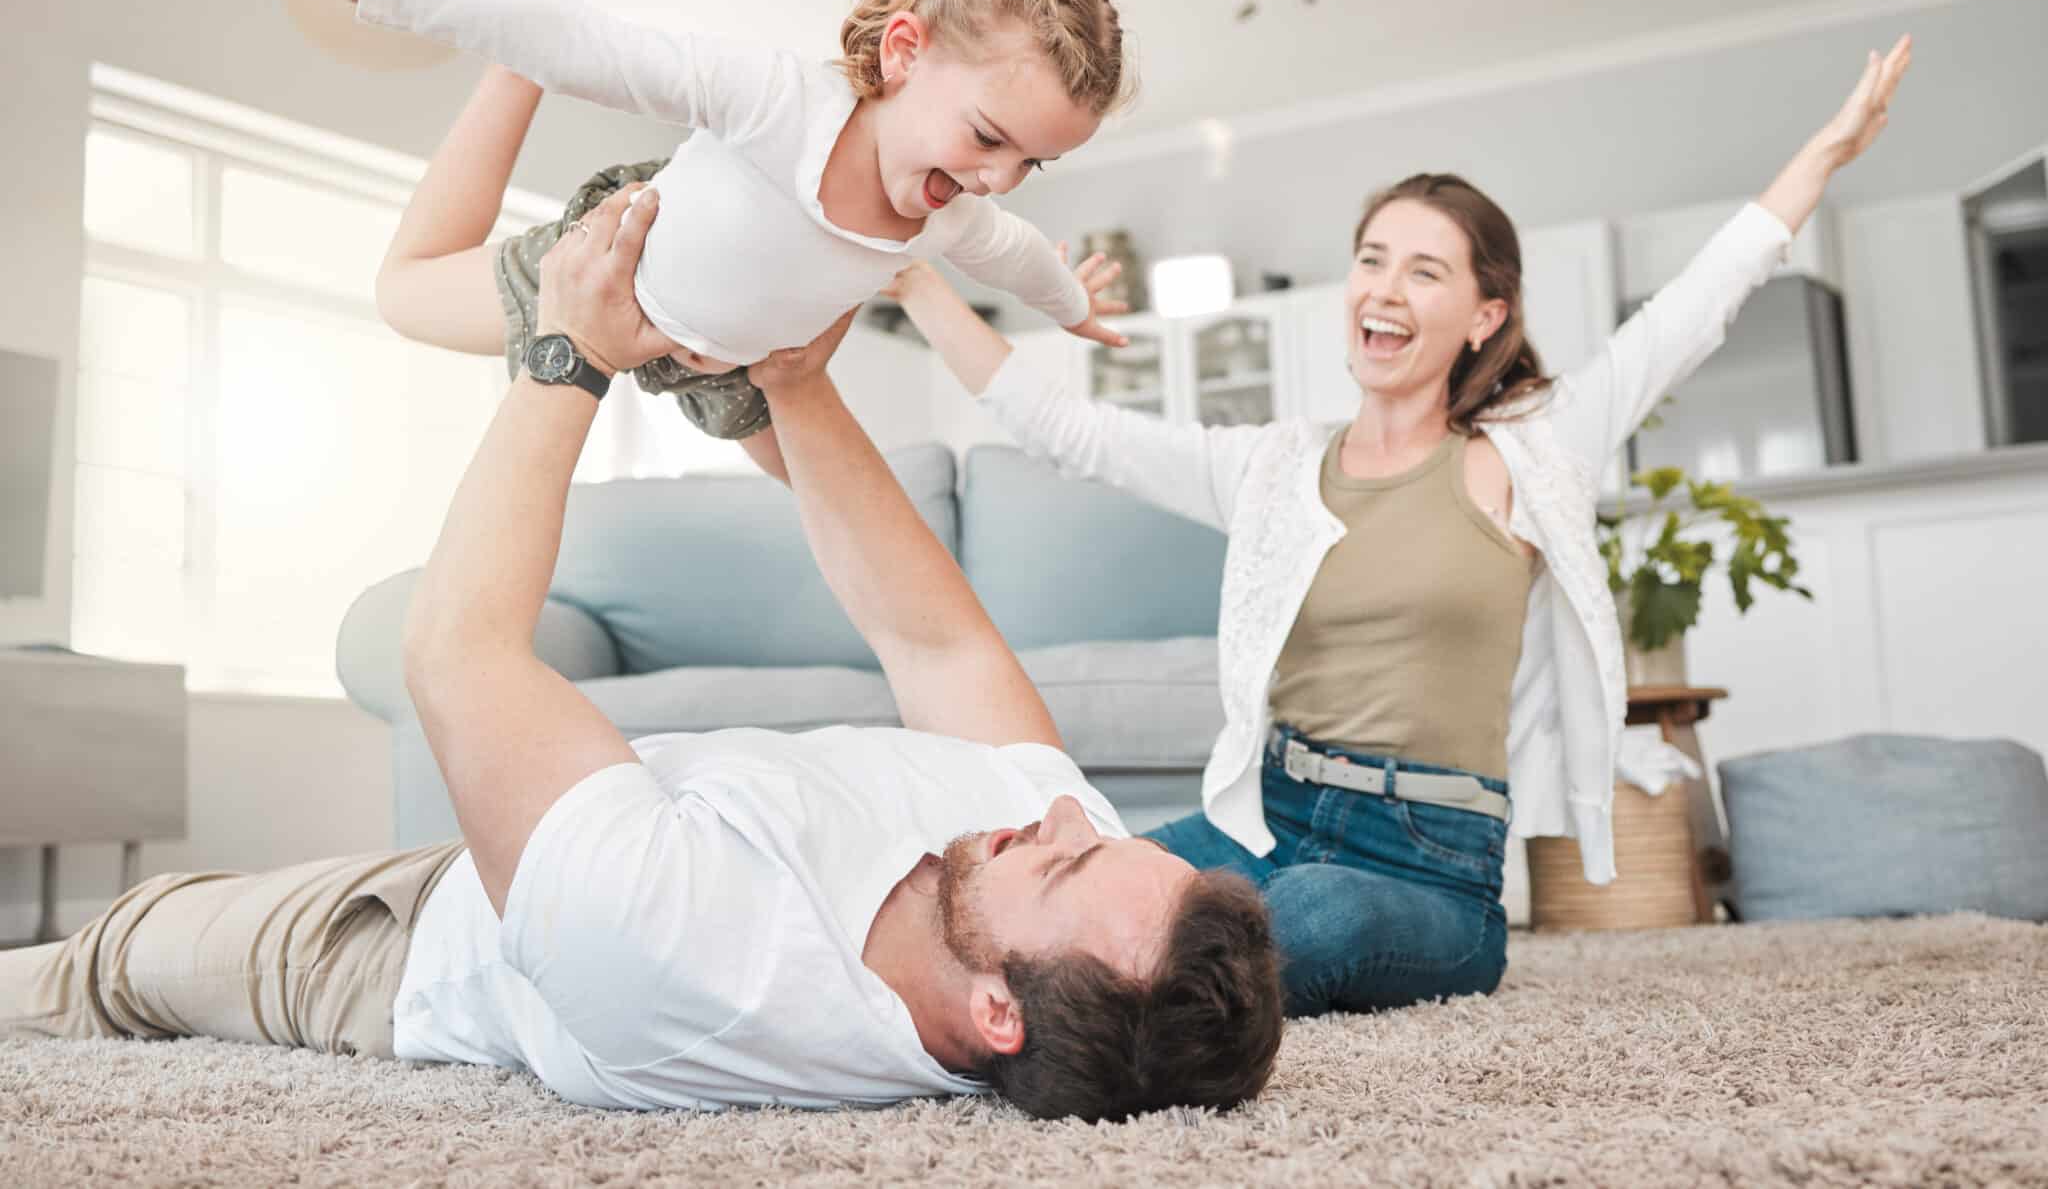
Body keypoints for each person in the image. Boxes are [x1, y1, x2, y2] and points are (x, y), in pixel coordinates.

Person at [0, 183, 1285, 1121]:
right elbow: (935, 638)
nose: (1056, 813)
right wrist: (784, 379)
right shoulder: (1054, 852)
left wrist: (563, 357)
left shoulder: (695, 958)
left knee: (116, 955)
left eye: (1063, 867)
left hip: (417, 941)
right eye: (1099, 837)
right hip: (604, 811)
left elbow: (456, 657)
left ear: (995, 1017)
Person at [891, 37, 1914, 1016]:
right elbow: (1069, 429)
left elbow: (1689, 313)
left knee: (1296, 921)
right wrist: (911, 275)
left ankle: (1103, 1019)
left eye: (1423, 270)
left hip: (1428, 863)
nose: (1382, 288)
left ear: (1482, 315)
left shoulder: (1529, 455)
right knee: (1083, 881)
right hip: (1266, 815)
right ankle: (993, 1011)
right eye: (1371, 259)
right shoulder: (1275, 468)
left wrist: (1823, 156)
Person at [246, 0, 1131, 479]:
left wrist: (1070, 305)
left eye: (1031, 161)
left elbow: (1017, 255)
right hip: (615, 274)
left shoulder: (951, 216)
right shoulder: (780, 102)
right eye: (988, 138)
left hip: (729, 366)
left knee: (846, 508)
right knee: (402, 297)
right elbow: (581, 39)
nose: (1000, 180)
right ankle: (509, 74)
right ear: (905, 51)